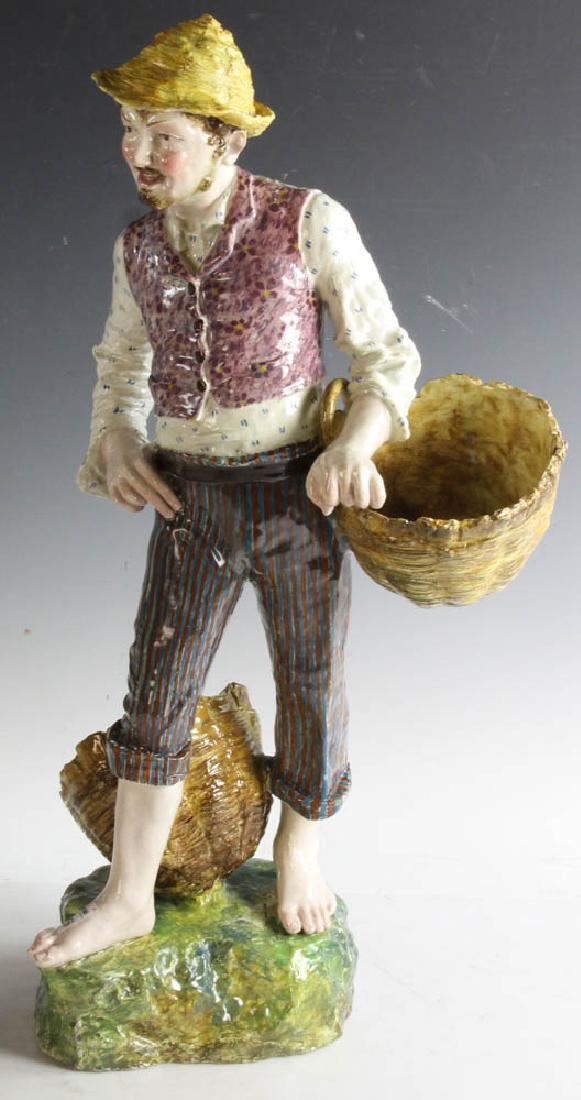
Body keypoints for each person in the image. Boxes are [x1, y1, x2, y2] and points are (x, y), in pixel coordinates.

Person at [28, 14, 421, 968]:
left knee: (311, 681)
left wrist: (355, 443)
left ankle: (299, 851)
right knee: (156, 686)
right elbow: (120, 364)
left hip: (297, 497)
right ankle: (128, 896)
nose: (138, 153)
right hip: (189, 500)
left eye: (162, 133)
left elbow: (386, 356)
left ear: (226, 141)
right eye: (128, 129)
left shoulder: (305, 219)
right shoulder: (137, 248)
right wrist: (117, 439)